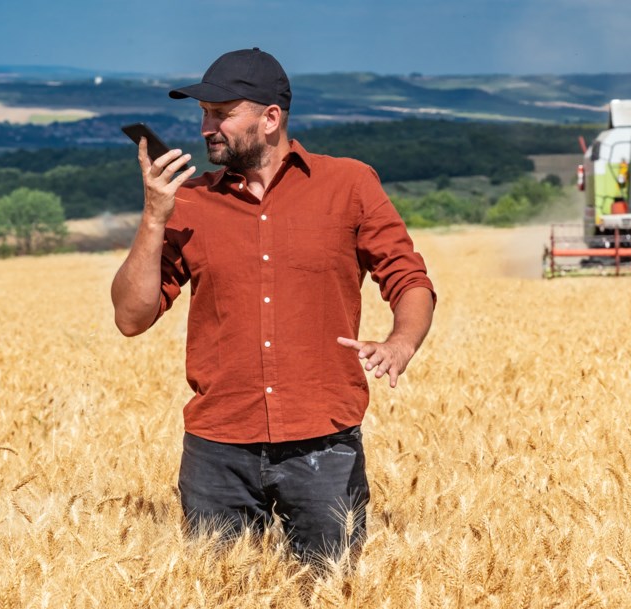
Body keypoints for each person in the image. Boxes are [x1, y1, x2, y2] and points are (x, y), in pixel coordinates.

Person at [110, 48, 436, 563]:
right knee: (217, 594)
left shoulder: (349, 184)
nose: (205, 127)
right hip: (217, 448)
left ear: (270, 118)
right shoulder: (186, 202)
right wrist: (154, 217)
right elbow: (131, 318)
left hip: (324, 445)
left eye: (221, 113)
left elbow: (409, 277)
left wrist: (401, 343)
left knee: (330, 593)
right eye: (202, 114)